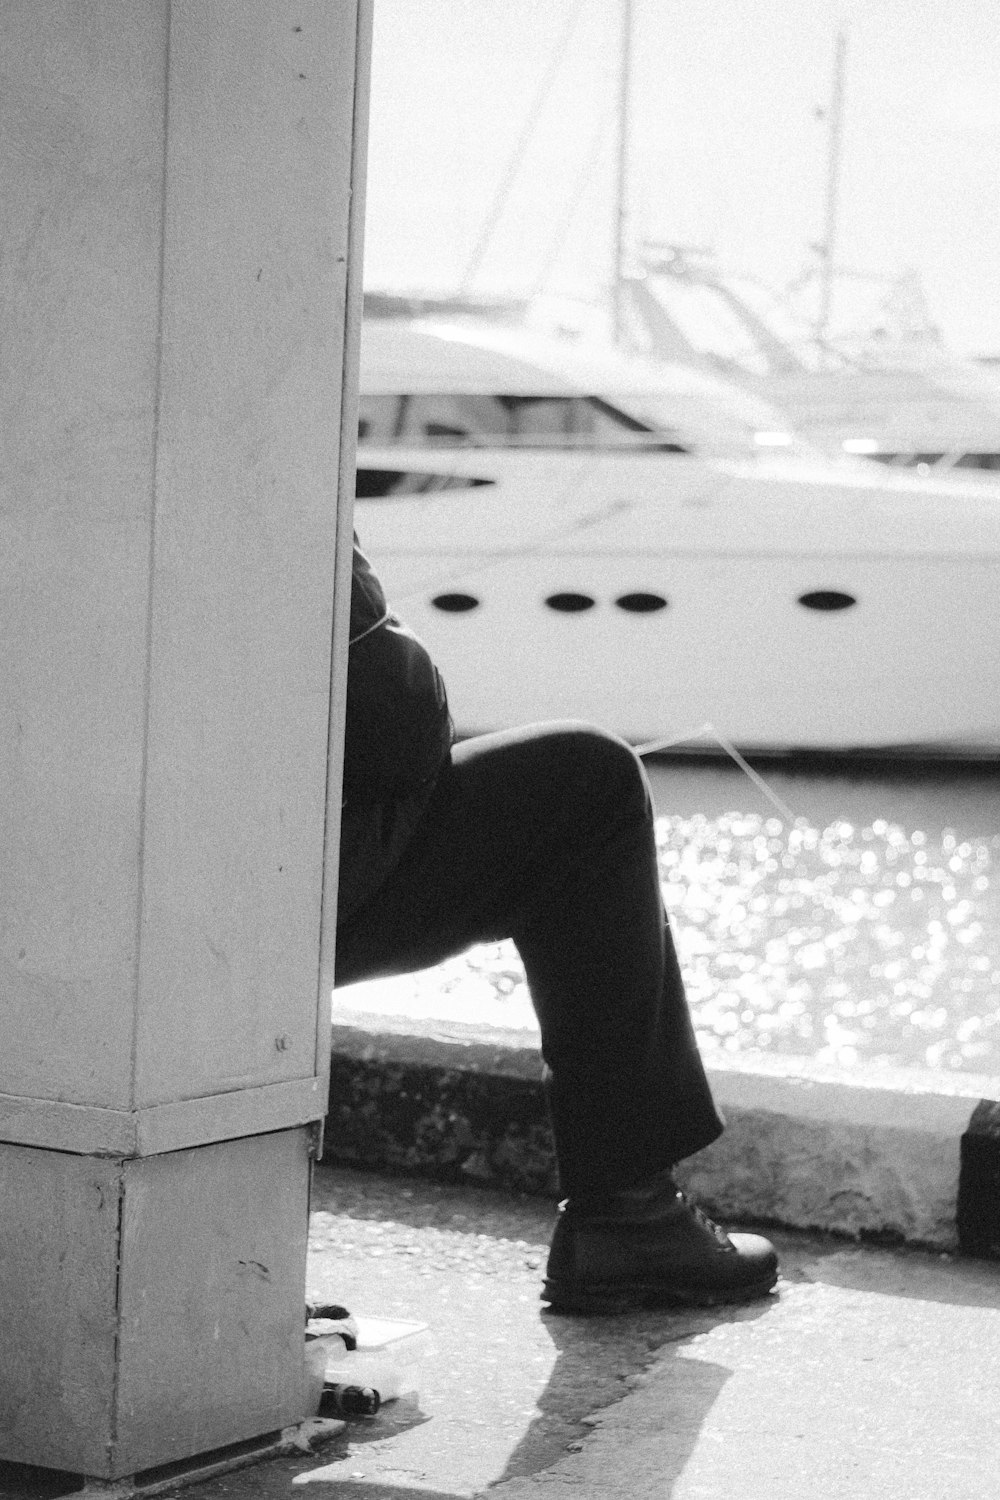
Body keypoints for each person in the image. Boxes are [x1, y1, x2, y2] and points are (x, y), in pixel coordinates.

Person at [333, 536, 778, 1313]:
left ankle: (628, 1220)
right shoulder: (257, 445)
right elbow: (391, 720)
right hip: (243, 893)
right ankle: (627, 1215)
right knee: (587, 784)